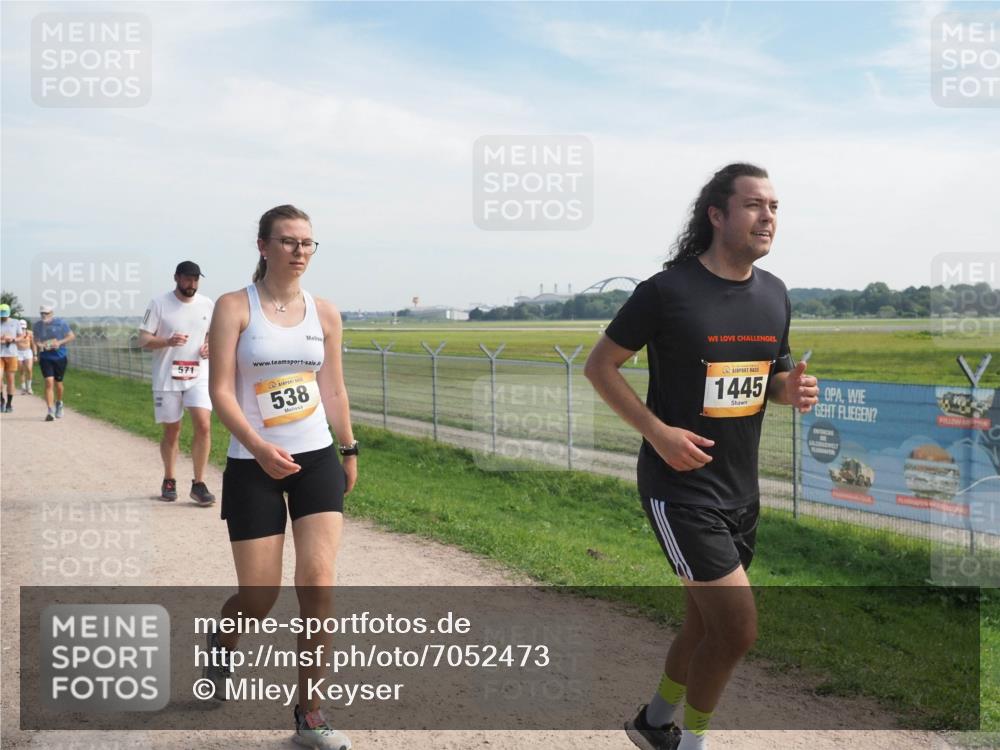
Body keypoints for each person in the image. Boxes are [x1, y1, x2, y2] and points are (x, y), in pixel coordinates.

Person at [584, 163, 818, 750]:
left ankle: (654, 722)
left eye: (774, 207)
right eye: (754, 205)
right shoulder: (665, 292)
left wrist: (790, 390)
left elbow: (771, 379)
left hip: (742, 490)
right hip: (679, 488)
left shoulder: (775, 294)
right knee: (737, 630)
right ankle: (693, 742)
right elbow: (600, 366)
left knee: (705, 622)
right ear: (717, 215)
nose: (768, 217)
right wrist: (657, 431)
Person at [204, 205, 357, 750]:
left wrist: (349, 448)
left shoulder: (326, 314)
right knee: (260, 594)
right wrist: (257, 447)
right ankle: (220, 641)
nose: (299, 251)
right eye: (288, 241)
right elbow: (221, 390)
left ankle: (309, 713)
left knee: (318, 582)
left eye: (308, 243)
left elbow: (333, 389)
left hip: (315, 459)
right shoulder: (232, 307)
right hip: (253, 466)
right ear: (263, 246)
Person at [138, 261, 216, 505]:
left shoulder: (207, 304)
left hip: (198, 375)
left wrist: (209, 345)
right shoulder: (159, 303)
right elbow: (143, 339)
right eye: (187, 279)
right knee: (172, 430)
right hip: (167, 378)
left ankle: (199, 483)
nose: (191, 284)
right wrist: (167, 342)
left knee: (203, 425)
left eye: (195, 280)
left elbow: (213, 334)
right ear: (176, 278)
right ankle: (169, 479)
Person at [32, 305, 76, 421]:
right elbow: (35, 339)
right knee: (48, 382)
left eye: (46, 313)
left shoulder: (61, 323)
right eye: (42, 313)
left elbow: (71, 336)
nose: (44, 315)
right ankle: (50, 411)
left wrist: (60, 342)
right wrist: (39, 345)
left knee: (59, 384)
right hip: (46, 357)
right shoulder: (37, 325)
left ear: (52, 313)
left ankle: (59, 403)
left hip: (59, 357)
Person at [0, 305, 20, 412]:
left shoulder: (15, 322)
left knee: (10, 380)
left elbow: (21, 336)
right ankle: (1, 400)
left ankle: (9, 404)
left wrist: (12, 339)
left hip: (12, 354)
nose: (3, 318)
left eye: (4, 315)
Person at [16, 319, 35, 395]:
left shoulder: (29, 333)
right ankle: (23, 388)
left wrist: (35, 354)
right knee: (21, 371)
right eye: (21, 327)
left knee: (29, 369)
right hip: (18, 352)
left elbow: (33, 344)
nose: (22, 329)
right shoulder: (15, 333)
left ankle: (29, 387)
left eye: (23, 328)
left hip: (28, 352)